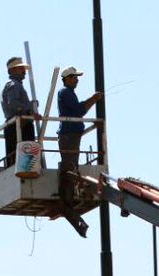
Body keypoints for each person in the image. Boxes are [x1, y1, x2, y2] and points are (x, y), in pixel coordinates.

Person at [55, 66, 102, 237]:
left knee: (71, 165)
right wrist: (94, 99)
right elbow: (80, 110)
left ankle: (67, 197)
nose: (77, 79)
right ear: (67, 78)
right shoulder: (65, 92)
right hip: (69, 135)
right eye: (74, 77)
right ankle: (66, 197)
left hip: (71, 134)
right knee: (69, 167)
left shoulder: (68, 93)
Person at [0, 56, 36, 167]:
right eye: (20, 68)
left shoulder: (15, 85)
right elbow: (13, 103)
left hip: (18, 125)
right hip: (19, 125)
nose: (24, 71)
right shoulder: (14, 85)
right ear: (11, 70)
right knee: (24, 164)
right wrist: (29, 109)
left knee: (18, 162)